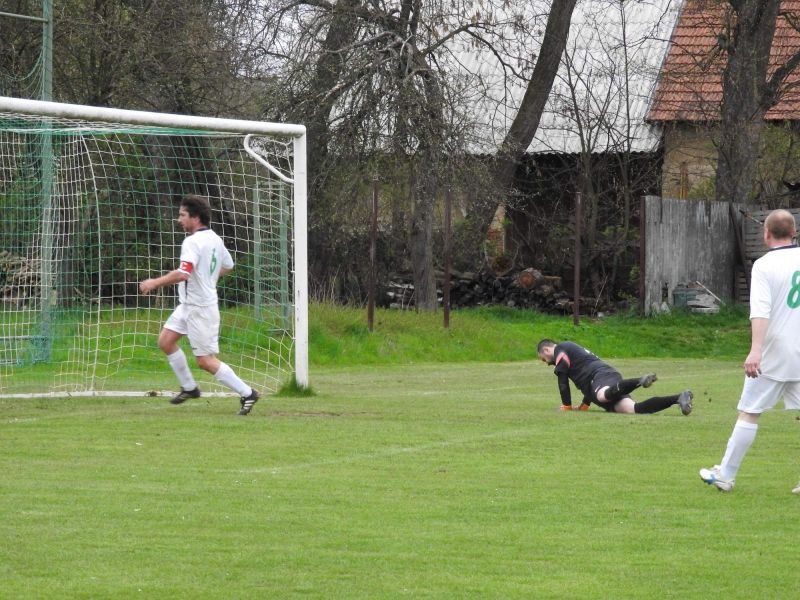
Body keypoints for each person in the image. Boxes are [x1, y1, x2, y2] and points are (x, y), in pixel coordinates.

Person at [700, 209, 800, 493]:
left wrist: (755, 351)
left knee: (749, 411)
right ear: (793, 232)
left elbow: (761, 312)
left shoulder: (765, 266)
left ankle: (726, 475)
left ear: (766, 234)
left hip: (775, 350)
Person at [139, 194, 260, 416]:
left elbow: (184, 273)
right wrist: (208, 276)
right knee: (166, 341)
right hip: (188, 305)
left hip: (201, 308)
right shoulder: (214, 238)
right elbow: (228, 265)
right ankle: (190, 388)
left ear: (196, 217)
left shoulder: (192, 241)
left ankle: (247, 392)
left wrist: (154, 282)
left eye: (182, 215)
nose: (179, 220)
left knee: (205, 361)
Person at [537, 339, 693, 415]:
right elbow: (584, 380)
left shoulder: (561, 349)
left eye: (543, 358)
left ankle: (639, 381)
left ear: (546, 349)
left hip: (601, 375)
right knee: (633, 409)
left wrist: (566, 406)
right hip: (603, 378)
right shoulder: (570, 352)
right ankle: (678, 398)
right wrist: (585, 404)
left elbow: (563, 380)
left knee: (602, 395)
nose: (545, 363)